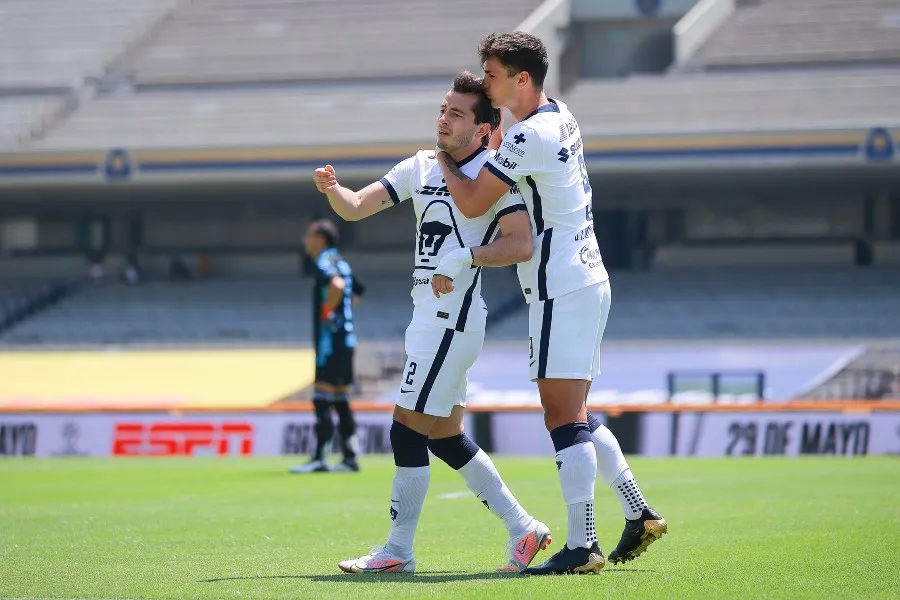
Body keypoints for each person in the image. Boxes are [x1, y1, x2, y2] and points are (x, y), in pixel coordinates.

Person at [436, 32, 667, 575]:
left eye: (492, 75)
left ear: (520, 80)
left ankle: (582, 544)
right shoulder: (560, 115)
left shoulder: (527, 137)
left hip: (560, 285)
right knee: (576, 413)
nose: (486, 83)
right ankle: (638, 513)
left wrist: (444, 156)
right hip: (584, 277)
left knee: (561, 416)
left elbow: (471, 199)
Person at [313, 71, 551, 574]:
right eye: (443, 109)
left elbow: (520, 243)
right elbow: (356, 208)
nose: (443, 119)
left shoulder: (496, 174)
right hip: (428, 317)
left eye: (457, 113)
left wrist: (465, 257)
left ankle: (398, 552)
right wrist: (335, 190)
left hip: (454, 318)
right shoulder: (421, 165)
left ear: (484, 128)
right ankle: (524, 528)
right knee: (444, 437)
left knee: (405, 431)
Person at [290, 219, 361, 473]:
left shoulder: (324, 261)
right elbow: (356, 292)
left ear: (320, 238)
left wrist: (328, 311)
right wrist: (343, 315)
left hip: (330, 341)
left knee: (321, 397)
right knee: (340, 398)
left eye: (308, 236)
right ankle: (350, 457)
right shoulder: (342, 262)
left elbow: (337, 286)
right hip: (347, 338)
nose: (304, 241)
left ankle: (321, 457)